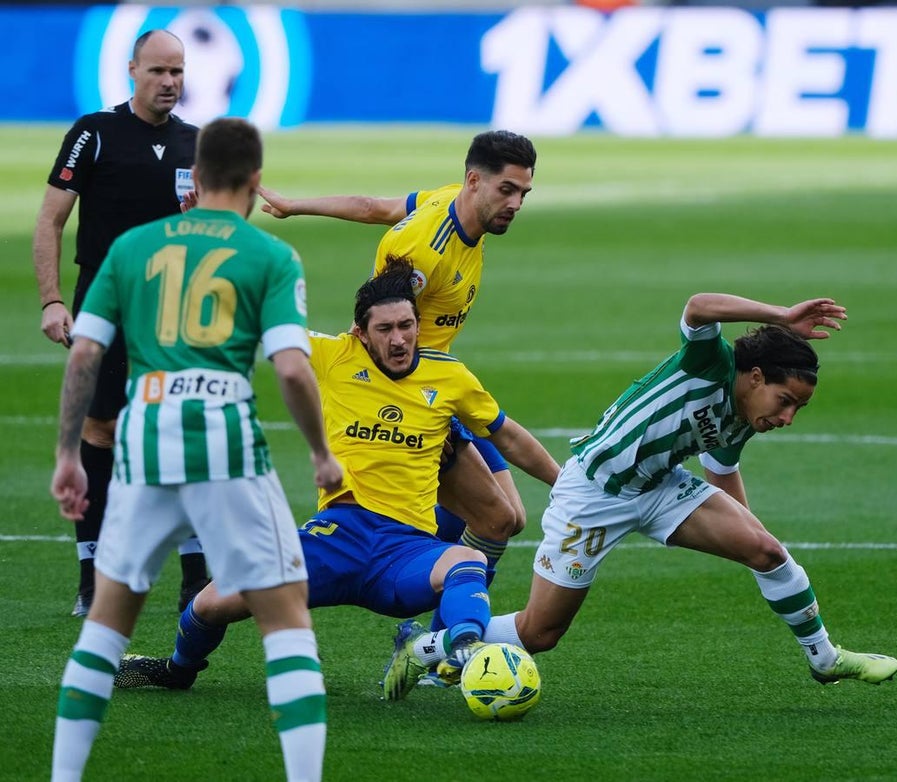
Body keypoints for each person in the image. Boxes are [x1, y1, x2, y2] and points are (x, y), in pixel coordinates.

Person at [381, 291, 897, 699]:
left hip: (658, 487)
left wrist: (749, 541)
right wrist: (782, 314)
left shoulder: (747, 417)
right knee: (540, 633)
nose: (786, 418)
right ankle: (427, 646)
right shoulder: (710, 364)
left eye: (797, 410)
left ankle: (824, 658)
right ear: (756, 376)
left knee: (767, 550)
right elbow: (699, 306)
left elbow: (723, 474)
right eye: (785, 401)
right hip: (593, 493)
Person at [111, 257, 560, 692]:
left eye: (406, 326)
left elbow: (510, 438)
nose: (399, 339)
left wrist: (562, 485)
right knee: (210, 603)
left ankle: (449, 650)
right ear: (361, 333)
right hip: (333, 539)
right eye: (385, 329)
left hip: (403, 553)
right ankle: (177, 670)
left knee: (469, 561)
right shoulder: (332, 357)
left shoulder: (451, 378)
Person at [49, 117, 341, 782]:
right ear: (255, 181)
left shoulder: (132, 247)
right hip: (224, 440)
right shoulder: (270, 256)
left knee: (105, 625)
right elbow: (294, 370)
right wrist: (321, 453)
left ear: (196, 177)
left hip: (142, 439)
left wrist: (69, 455)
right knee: (287, 616)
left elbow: (86, 353)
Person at [257, 131, 537, 589]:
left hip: (438, 383)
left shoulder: (450, 200)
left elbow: (374, 208)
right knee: (498, 520)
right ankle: (433, 628)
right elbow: (380, 328)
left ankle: (430, 597)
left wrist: (295, 205)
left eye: (523, 193)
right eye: (507, 190)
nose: (516, 204)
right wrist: (418, 425)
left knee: (507, 518)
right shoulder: (424, 255)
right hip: (419, 394)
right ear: (474, 181)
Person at [34, 29, 208, 617]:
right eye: (159, 71)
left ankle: (195, 576)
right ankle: (92, 573)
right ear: (133, 70)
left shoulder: (196, 143)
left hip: (177, 311)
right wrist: (53, 300)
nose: (170, 82)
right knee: (101, 431)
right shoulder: (94, 134)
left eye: (178, 72)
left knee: (182, 434)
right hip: (104, 304)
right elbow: (51, 220)